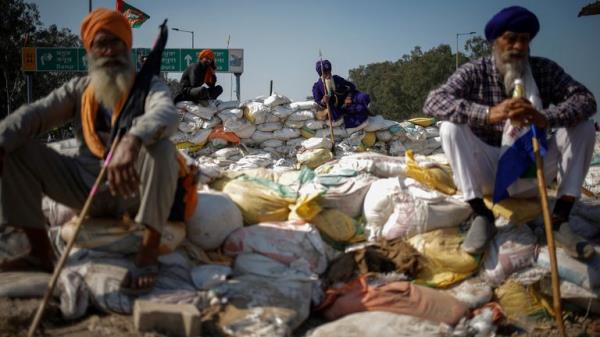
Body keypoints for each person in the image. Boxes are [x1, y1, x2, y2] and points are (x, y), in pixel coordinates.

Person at [0, 8, 180, 294]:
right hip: (84, 187)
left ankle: (147, 253)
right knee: (16, 149)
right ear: (90, 51)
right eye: (100, 44)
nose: (108, 50)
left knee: (163, 149)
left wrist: (131, 140)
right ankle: (39, 253)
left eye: (115, 42)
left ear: (127, 46)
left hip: (130, 190)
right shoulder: (79, 91)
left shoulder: (149, 87)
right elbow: (34, 115)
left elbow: (166, 113)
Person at [423, 6, 597, 257]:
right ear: (496, 42)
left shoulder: (543, 70)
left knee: (583, 127)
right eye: (510, 38)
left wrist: (544, 118)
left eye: (523, 40)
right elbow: (435, 101)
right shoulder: (476, 71)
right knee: (450, 127)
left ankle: (560, 220)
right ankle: (481, 214)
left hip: (530, 167)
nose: (517, 46)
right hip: (489, 172)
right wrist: (487, 114)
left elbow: (585, 100)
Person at [312, 60, 371, 128]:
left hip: (349, 100)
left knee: (364, 97)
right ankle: (347, 124)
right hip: (338, 108)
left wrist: (349, 97)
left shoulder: (336, 78)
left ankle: (362, 111)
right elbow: (318, 101)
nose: (328, 74)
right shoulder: (316, 87)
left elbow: (352, 86)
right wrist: (323, 100)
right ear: (321, 74)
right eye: (325, 72)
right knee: (361, 109)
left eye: (329, 71)